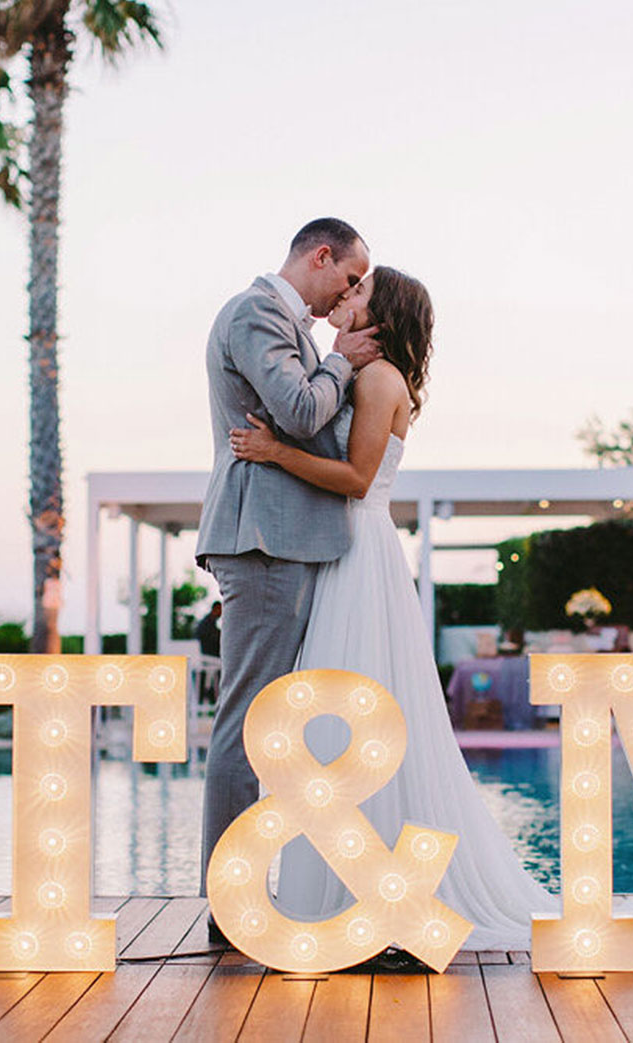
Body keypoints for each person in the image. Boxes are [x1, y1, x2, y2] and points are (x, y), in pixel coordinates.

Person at [227, 267, 555, 949]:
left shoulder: (379, 380)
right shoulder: (358, 371)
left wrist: (274, 452)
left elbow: (356, 479)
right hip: (343, 551)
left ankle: (370, 894)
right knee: (333, 722)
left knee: (351, 711)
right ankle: (350, 890)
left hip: (361, 555)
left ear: (380, 315)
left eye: (359, 293)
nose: (346, 297)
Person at [195, 219, 380, 924]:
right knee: (249, 722)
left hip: (286, 541)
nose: (348, 295)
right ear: (321, 256)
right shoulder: (256, 312)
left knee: (265, 722)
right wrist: (340, 362)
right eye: (349, 278)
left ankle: (241, 894)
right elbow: (301, 412)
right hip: (265, 540)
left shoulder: (281, 320)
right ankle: (230, 903)